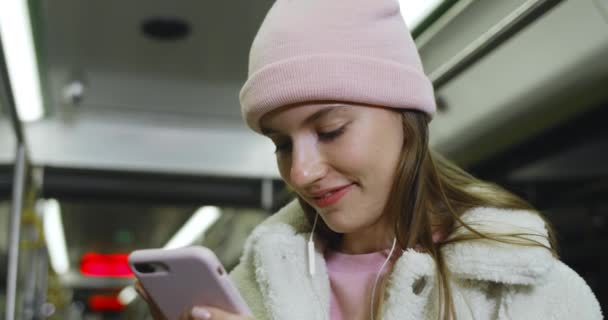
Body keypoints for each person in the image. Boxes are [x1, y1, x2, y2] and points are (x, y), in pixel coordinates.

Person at [137, 0, 603, 319]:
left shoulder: (526, 289)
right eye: (281, 144)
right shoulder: (253, 287)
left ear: (406, 118)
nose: (300, 172)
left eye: (330, 130)